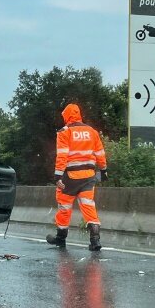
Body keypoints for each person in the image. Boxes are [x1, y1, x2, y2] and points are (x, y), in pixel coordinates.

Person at [46, 103, 108, 251]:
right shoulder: (92, 132)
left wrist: (57, 175)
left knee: (64, 207)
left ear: (67, 116)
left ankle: (61, 238)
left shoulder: (64, 132)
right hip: (88, 176)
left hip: (70, 178)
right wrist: (104, 170)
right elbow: (100, 153)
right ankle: (95, 240)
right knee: (88, 206)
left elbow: (62, 155)